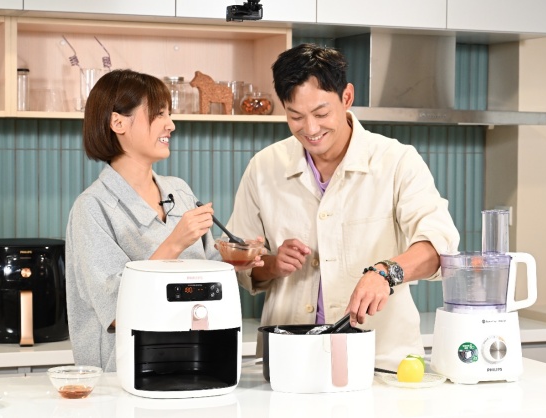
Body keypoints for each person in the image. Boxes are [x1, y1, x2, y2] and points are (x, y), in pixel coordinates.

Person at [227, 44, 460, 371]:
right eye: (295, 116)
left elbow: (440, 246)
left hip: (380, 361)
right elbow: (240, 262)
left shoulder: (397, 161)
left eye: (321, 114)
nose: (310, 129)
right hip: (290, 361)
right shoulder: (264, 167)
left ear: (347, 97)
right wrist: (273, 264)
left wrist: (386, 272)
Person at [65, 69, 262, 372]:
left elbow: (205, 268)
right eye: (159, 114)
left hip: (196, 360)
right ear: (118, 122)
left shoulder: (179, 191)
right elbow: (115, 310)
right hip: (128, 373)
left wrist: (235, 258)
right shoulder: (92, 208)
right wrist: (174, 243)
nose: (171, 124)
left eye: (169, 114)